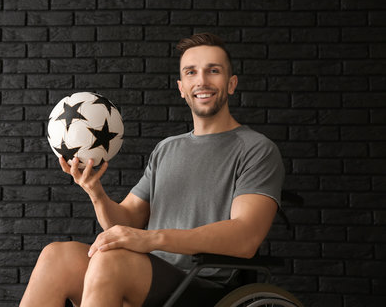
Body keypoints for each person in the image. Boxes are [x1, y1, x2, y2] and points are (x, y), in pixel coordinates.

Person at [19, 32, 284, 307]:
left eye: (213, 71)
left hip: (206, 283)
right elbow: (127, 223)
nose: (202, 81)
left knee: (111, 259)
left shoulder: (256, 149)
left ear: (231, 84)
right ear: (182, 87)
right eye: (191, 72)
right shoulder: (166, 149)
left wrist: (151, 239)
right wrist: (95, 192)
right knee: (56, 256)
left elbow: (245, 237)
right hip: (150, 273)